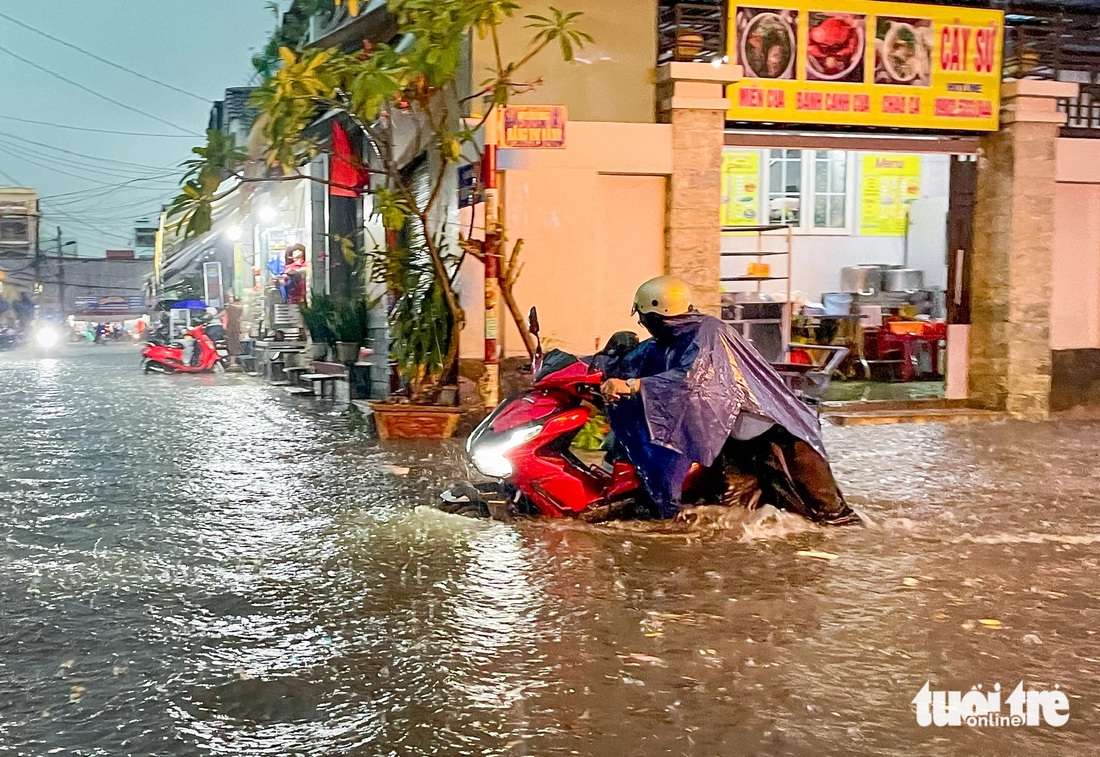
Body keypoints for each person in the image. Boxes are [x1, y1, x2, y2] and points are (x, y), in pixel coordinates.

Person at [599, 275, 859, 525]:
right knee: (724, 508)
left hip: (765, 424)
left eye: (643, 317)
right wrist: (607, 360)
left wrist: (633, 385)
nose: (642, 324)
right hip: (727, 432)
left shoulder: (708, 333)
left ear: (655, 314)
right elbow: (637, 362)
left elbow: (693, 379)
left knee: (827, 513)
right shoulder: (669, 340)